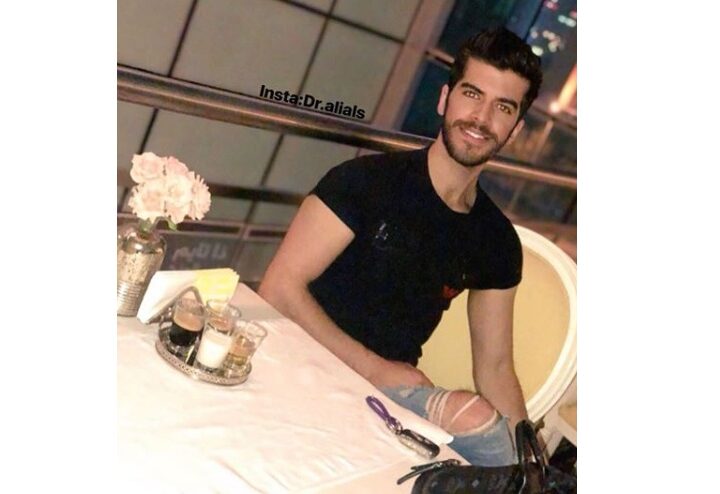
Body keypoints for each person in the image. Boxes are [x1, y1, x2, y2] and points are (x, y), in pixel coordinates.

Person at [258, 27, 543, 466]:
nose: (481, 118)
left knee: (493, 438)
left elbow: (496, 367)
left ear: (516, 128)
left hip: (387, 403)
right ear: (445, 99)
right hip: (299, 354)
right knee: (472, 419)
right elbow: (279, 287)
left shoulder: (496, 240)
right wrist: (373, 368)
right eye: (472, 94)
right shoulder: (365, 182)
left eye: (502, 107)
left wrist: (529, 462)